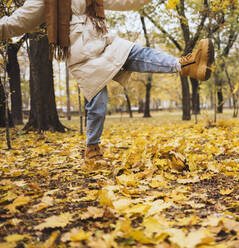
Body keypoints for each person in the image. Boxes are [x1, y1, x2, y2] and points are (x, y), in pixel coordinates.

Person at [0, 0, 215, 168]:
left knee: (139, 53)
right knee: (98, 105)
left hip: (105, 42)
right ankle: (92, 151)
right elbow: (18, 22)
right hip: (82, 57)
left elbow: (124, 1)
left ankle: (187, 65)